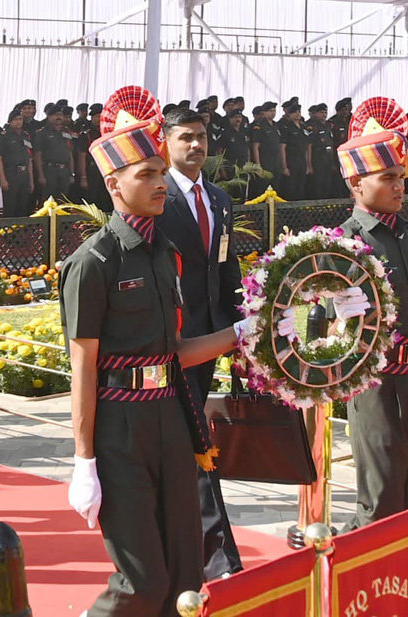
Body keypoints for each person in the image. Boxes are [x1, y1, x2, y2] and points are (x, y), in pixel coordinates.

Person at [61, 85, 255, 617]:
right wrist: (84, 461)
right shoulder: (93, 262)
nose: (157, 183)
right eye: (144, 174)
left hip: (171, 415)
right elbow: (83, 368)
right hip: (120, 428)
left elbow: (175, 352)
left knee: (185, 577)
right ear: (113, 184)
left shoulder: (164, 254)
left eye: (156, 170)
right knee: (141, 581)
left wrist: (247, 332)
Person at [335, 97, 408, 617]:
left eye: (401, 175)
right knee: (382, 498)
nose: (399, 184)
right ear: (357, 185)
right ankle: (370, 595)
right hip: (377, 385)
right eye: (386, 177)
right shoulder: (342, 244)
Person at [153, 107, 245, 582]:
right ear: (165, 141)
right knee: (192, 437)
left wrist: (240, 329)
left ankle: (185, 542)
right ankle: (217, 557)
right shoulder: (156, 195)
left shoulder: (220, 199)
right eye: (185, 137)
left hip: (213, 334)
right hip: (172, 338)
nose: (196, 145)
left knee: (191, 437)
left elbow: (225, 270)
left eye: (202, 137)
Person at [33, 105, 74, 203]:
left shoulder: (66, 132)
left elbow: (70, 154)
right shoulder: (42, 133)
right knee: (48, 201)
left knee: (63, 200)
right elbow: (37, 155)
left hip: (64, 171)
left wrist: (72, 173)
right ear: (49, 116)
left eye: (60, 115)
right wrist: (41, 175)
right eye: (56, 115)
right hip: (49, 171)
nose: (59, 117)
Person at [0, 110, 34, 217]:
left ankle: (21, 232)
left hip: (24, 174)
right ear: (10, 121)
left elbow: (29, 159)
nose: (19, 122)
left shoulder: (25, 136)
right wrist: (2, 179)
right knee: (10, 206)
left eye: (20, 119)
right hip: (11, 173)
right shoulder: (4, 136)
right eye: (15, 120)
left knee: (22, 206)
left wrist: (31, 180)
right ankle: (9, 231)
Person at [278, 101, 310, 200]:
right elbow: (282, 148)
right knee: (291, 187)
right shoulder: (287, 127)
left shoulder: (303, 127)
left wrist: (308, 165)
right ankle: (290, 213)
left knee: (301, 186)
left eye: (299, 112)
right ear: (290, 114)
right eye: (294, 112)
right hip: (291, 161)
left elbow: (307, 148)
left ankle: (299, 212)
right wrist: (284, 167)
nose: (297, 114)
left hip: (302, 162)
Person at [249, 101, 282, 198]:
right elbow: (255, 146)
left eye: (274, 110)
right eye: (270, 111)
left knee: (276, 186)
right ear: (264, 112)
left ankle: (273, 211)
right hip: (265, 160)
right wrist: (258, 165)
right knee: (263, 187)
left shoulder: (275, 126)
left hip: (276, 161)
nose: (273, 113)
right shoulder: (259, 126)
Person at [306, 103, 336, 199]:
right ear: (316, 113)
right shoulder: (312, 126)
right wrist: (309, 165)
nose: (324, 115)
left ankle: (326, 208)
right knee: (317, 184)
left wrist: (332, 162)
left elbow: (331, 144)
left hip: (328, 158)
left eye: (325, 112)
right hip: (317, 158)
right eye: (322, 112)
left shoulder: (328, 125)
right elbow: (309, 147)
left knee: (327, 184)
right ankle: (317, 208)